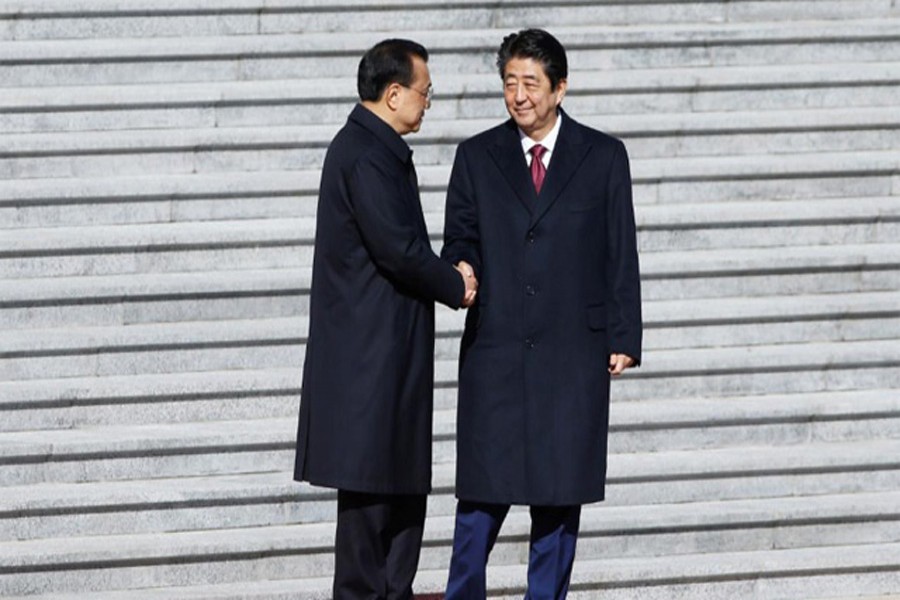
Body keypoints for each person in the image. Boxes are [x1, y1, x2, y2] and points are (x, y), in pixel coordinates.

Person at [441, 29, 642, 599]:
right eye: (510, 82)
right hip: (496, 351)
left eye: (531, 82)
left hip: (570, 354)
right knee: (479, 502)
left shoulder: (602, 156)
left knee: (557, 503)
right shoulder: (476, 156)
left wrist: (624, 333)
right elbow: (460, 236)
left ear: (560, 88)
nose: (519, 95)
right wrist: (463, 267)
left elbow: (619, 249)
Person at [293, 38, 477, 600]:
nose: (427, 104)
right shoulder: (363, 154)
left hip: (389, 359)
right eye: (424, 93)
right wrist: (457, 282)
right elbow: (398, 249)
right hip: (367, 365)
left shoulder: (376, 149)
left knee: (397, 507)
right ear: (393, 93)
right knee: (370, 515)